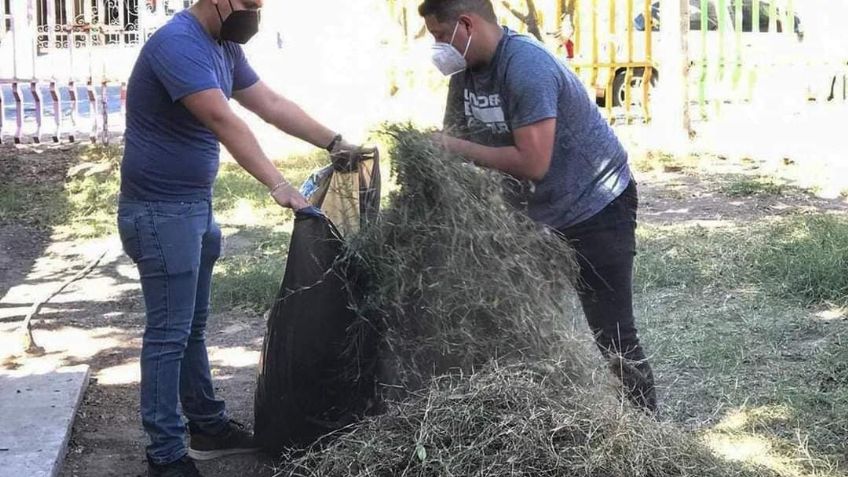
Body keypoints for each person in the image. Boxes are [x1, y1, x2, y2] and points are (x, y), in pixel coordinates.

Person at [116, 0, 359, 475]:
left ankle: (207, 426)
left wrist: (333, 142)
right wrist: (278, 183)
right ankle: (165, 454)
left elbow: (269, 104)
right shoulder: (177, 44)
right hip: (161, 213)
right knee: (168, 334)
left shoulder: (224, 46)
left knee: (190, 328)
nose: (254, 13)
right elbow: (223, 120)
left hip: (193, 207)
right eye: (247, 3)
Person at [418, 0, 657, 413]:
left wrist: (452, 148)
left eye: (440, 35)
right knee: (521, 319)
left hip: (595, 204)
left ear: (467, 24)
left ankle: (646, 428)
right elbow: (454, 137)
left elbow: (533, 163)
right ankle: (537, 419)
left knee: (613, 333)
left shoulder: (526, 66)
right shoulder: (466, 74)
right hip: (534, 215)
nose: (438, 47)